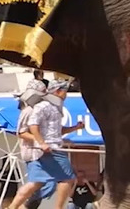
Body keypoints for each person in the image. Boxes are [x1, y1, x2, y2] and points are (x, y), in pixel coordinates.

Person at [7, 80, 83, 209]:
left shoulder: (50, 107)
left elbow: (54, 131)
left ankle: (13, 207)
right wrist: (42, 142)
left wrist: (74, 128)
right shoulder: (33, 109)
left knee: (36, 183)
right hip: (39, 151)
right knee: (67, 178)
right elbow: (23, 132)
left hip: (44, 149)